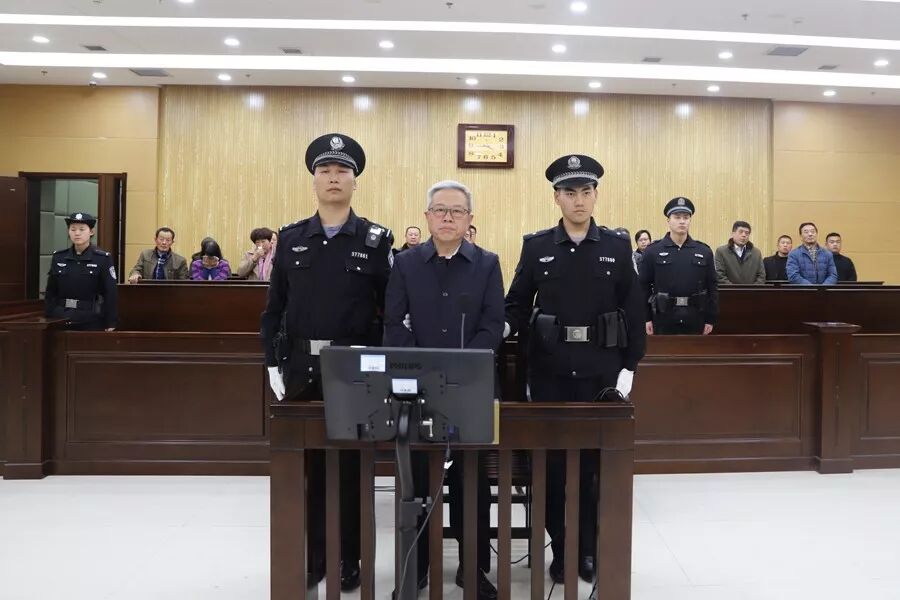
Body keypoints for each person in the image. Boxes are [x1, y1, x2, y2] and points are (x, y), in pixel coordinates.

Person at [504, 154, 646, 585]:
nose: (578, 200)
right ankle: (561, 546)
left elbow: (634, 310)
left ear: (596, 195)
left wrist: (629, 367)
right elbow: (517, 303)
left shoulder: (617, 247)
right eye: (570, 193)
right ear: (557, 198)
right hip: (549, 372)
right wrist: (499, 329)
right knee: (550, 468)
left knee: (590, 468)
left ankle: (586, 549)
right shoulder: (537, 247)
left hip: (600, 372)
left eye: (586, 192)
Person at [260, 133, 392, 591]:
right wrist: (271, 363)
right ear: (314, 180)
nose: (333, 178)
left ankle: (350, 558)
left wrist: (381, 365)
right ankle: (316, 556)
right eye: (325, 171)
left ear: (355, 181)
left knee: (353, 468)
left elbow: (389, 310)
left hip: (354, 370)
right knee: (310, 467)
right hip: (301, 368)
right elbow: (274, 308)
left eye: (342, 171)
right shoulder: (292, 237)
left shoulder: (375, 239)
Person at [384, 180, 503, 600]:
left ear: (470, 219)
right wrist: (423, 369)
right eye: (439, 210)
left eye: (456, 211)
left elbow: (493, 324)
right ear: (427, 217)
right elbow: (393, 323)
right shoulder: (405, 264)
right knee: (415, 481)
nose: (448, 217)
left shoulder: (487, 264)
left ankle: (474, 569)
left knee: (472, 484)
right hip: (416, 390)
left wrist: (460, 368)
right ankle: (416, 568)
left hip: (471, 389)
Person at [639, 197, 718, 335]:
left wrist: (710, 318)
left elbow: (712, 287)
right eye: (677, 217)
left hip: (695, 317)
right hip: (663, 317)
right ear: (668, 221)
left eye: (686, 217)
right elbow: (643, 287)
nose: (682, 221)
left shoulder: (704, 251)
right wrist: (646, 318)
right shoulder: (653, 251)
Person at [44, 212, 118, 331]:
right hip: (61, 317)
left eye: (82, 229)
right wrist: (49, 314)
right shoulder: (59, 257)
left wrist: (111, 322)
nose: (77, 233)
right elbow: (51, 291)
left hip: (90, 319)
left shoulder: (102, 258)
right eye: (73, 229)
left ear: (91, 232)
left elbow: (110, 293)